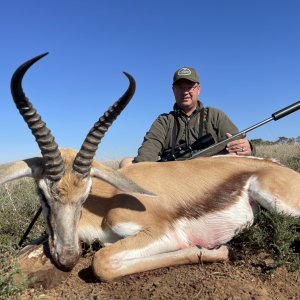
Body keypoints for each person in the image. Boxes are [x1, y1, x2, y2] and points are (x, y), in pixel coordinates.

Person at [120, 66, 254, 168]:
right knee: (126, 163)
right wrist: (142, 167)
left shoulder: (215, 115)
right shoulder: (164, 121)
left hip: (209, 171)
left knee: (236, 158)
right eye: (180, 87)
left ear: (198, 89)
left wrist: (248, 147)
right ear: (173, 90)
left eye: (189, 87)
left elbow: (239, 142)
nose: (185, 92)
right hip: (174, 174)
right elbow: (149, 148)